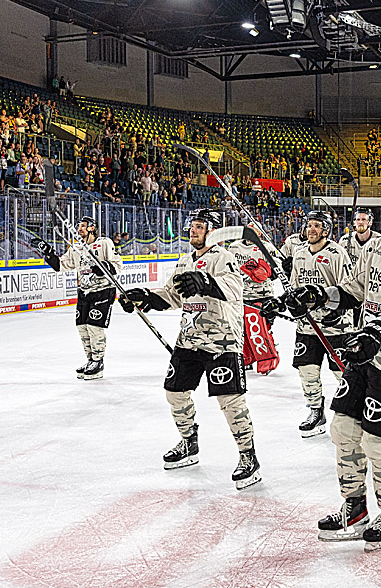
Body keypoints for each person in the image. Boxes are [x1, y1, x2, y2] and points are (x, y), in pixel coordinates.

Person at [278, 182, 381, 552]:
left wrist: (376, 333)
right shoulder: (374, 248)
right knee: (341, 427)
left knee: (377, 440)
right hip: (365, 352)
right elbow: (354, 289)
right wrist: (320, 295)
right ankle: (354, 508)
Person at [120, 210, 262, 490]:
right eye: (192, 227)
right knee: (174, 392)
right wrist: (145, 298)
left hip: (222, 341)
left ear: (212, 231)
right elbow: (171, 295)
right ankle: (189, 443)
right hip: (189, 339)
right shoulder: (186, 260)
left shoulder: (225, 258)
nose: (192, 231)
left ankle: (249, 456)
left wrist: (206, 282)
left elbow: (234, 289)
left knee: (230, 402)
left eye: (199, 227)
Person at [286, 209, 354, 437]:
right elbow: (295, 287)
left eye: (316, 226)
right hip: (307, 327)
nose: (311, 230)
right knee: (307, 371)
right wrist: (291, 303)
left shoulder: (337, 253)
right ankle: (316, 411)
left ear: (326, 230)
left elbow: (348, 288)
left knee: (342, 372)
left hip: (336, 327)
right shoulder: (300, 253)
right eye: (309, 225)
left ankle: (353, 410)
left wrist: (340, 309)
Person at [33, 216, 122, 380]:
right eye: (78, 226)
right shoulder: (76, 248)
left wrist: (103, 269)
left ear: (92, 228)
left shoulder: (104, 243)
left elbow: (117, 265)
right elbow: (61, 266)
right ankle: (90, 360)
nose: (79, 229)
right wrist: (48, 253)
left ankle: (98, 362)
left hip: (103, 290)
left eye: (83, 226)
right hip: (84, 292)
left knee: (95, 327)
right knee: (82, 327)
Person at [338, 208, 381, 328]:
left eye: (364, 219)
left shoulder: (379, 241)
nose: (360, 222)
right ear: (353, 222)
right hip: (350, 289)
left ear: (370, 222)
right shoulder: (345, 241)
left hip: (371, 290)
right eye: (358, 219)